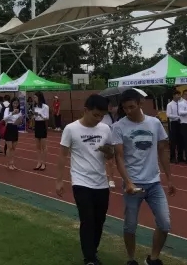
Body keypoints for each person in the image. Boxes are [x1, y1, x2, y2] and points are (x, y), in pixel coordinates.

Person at [112, 89, 175, 265]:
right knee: (130, 225)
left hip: (154, 183)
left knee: (164, 223)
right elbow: (119, 157)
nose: (128, 111)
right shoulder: (118, 127)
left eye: (132, 107)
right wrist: (128, 182)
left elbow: (162, 151)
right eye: (125, 108)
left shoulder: (155, 123)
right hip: (133, 184)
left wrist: (169, 178)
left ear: (140, 103)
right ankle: (131, 259)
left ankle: (153, 258)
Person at [56, 94, 114, 265]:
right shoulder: (71, 129)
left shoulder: (105, 129)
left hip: (101, 182)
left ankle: (92, 251)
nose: (98, 119)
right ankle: (89, 258)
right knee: (87, 220)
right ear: (86, 110)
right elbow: (62, 156)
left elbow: (111, 154)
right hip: (81, 181)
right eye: (95, 115)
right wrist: (59, 180)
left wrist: (107, 151)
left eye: (102, 116)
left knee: (99, 220)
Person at [3, 98, 23, 170]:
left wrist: (20, 121)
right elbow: (4, 118)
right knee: (9, 147)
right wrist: (12, 113)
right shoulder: (7, 109)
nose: (15, 105)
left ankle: (12, 163)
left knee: (14, 148)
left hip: (15, 128)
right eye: (14, 103)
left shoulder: (19, 111)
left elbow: (20, 121)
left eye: (17, 103)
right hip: (9, 127)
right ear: (11, 103)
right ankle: (8, 163)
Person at [32, 91, 49, 171]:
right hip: (37, 124)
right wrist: (33, 116)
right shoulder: (35, 106)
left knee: (43, 146)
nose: (34, 99)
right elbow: (35, 117)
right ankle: (39, 162)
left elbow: (47, 118)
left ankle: (44, 163)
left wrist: (40, 115)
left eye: (35, 97)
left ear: (39, 98)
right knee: (38, 146)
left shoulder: (45, 106)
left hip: (42, 125)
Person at [165, 90, 183, 164]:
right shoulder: (170, 104)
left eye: (179, 95)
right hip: (174, 123)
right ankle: (172, 157)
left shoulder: (181, 104)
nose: (179, 96)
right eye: (177, 95)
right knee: (173, 141)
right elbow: (168, 115)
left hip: (181, 123)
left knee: (181, 140)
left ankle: (180, 157)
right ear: (174, 95)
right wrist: (178, 117)